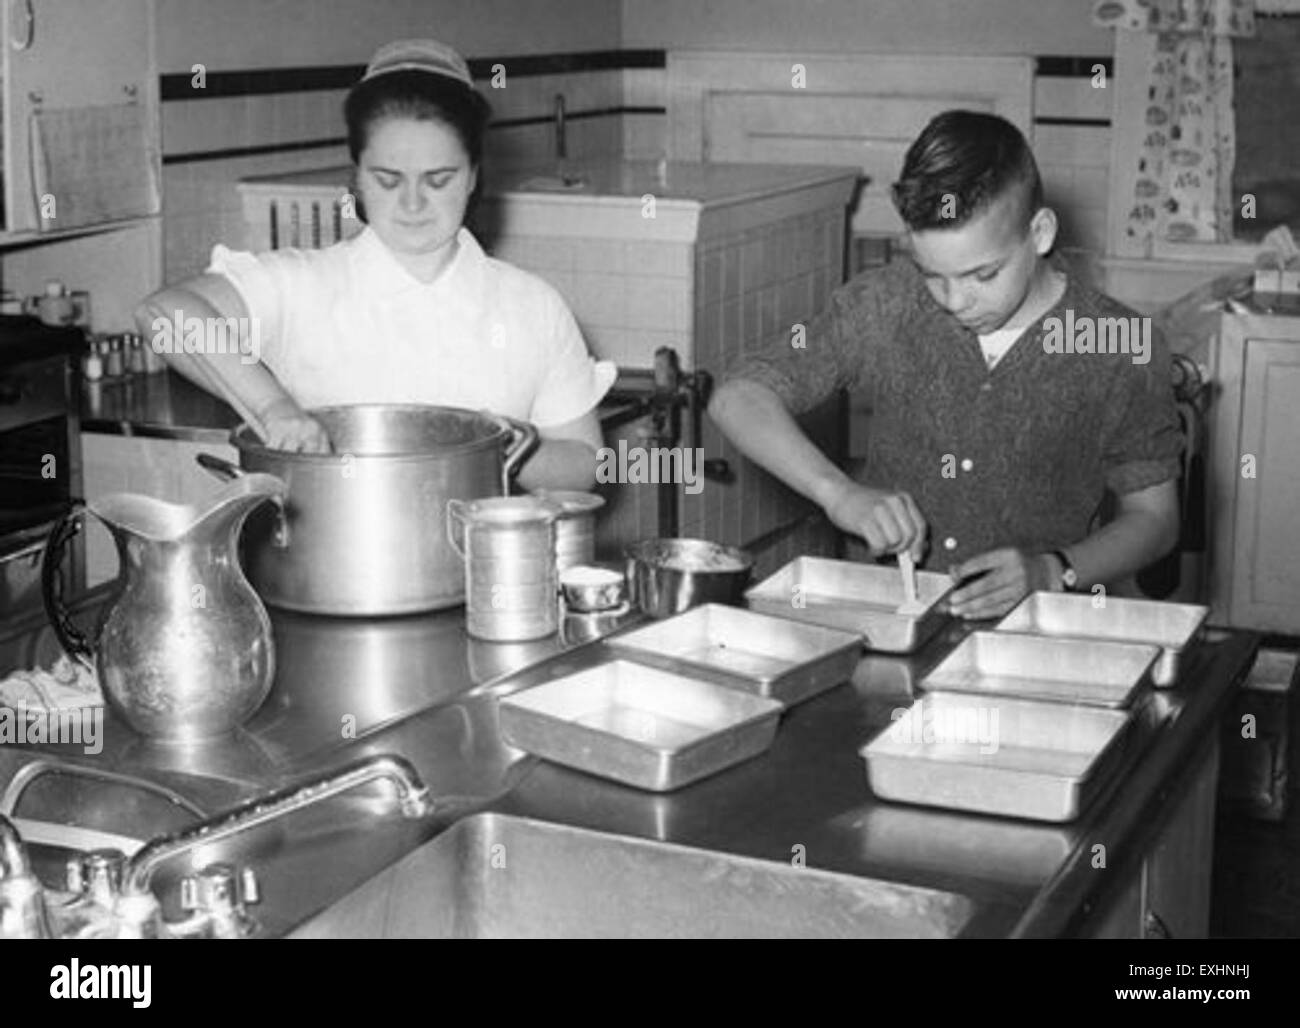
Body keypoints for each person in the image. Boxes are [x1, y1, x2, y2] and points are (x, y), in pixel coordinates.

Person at [709, 110, 1182, 620]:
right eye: (932, 274)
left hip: (1032, 633)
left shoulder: (1119, 343)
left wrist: (1053, 571)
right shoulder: (887, 303)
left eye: (984, 275)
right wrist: (839, 493)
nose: (955, 301)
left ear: (1040, 233)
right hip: (886, 622)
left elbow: (1154, 520)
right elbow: (738, 396)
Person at [135, 38, 614, 491]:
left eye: (438, 180)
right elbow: (164, 313)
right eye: (388, 180)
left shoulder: (531, 305)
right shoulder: (302, 285)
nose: (412, 203)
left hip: (481, 548)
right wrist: (274, 407)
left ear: (473, 176)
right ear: (357, 179)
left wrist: (499, 446)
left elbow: (584, 463)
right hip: (325, 548)